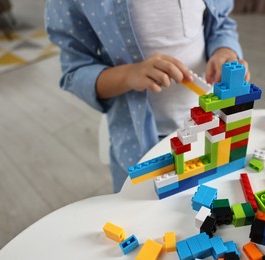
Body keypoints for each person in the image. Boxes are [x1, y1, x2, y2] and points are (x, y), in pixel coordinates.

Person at [45, 0, 250, 192]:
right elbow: (75, 72)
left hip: (213, 131)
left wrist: (225, 50)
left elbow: (221, 23)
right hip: (139, 145)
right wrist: (128, 75)